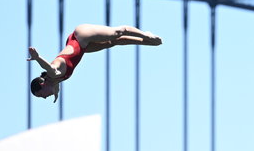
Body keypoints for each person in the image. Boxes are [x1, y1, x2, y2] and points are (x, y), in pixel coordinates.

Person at [28, 24, 162, 102]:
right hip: (81, 46)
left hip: (81, 35)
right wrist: (56, 93)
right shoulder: (54, 81)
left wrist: (37, 57)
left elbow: (48, 67)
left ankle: (146, 35)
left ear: (42, 83)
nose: (44, 98)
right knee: (111, 43)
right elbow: (56, 85)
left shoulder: (53, 72)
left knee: (117, 33)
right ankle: (147, 42)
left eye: (41, 95)